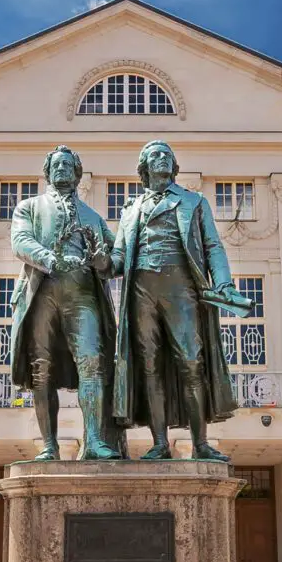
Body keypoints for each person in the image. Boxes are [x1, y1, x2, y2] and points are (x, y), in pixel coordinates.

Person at [111, 140, 237, 461]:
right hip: (141, 289)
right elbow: (118, 256)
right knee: (149, 366)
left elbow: (213, 246)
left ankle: (201, 444)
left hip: (181, 286)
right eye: (155, 154)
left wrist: (222, 280)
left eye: (167, 154)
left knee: (192, 362)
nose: (163, 158)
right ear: (144, 167)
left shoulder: (194, 201)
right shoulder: (132, 208)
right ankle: (159, 443)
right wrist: (95, 261)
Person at [10, 145, 121, 460]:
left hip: (83, 294)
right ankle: (49, 444)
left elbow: (116, 257)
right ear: (48, 172)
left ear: (77, 173)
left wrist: (104, 262)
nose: (61, 169)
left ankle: (96, 441)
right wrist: (49, 258)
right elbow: (20, 241)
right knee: (41, 369)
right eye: (56, 165)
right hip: (43, 291)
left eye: (67, 165)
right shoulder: (29, 207)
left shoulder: (93, 217)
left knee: (92, 364)